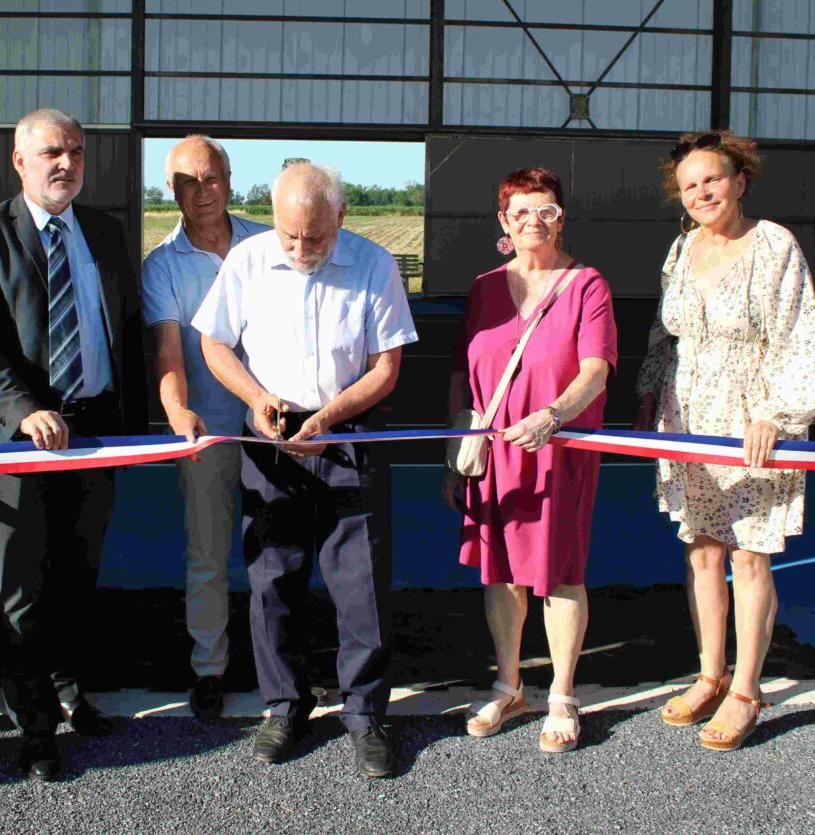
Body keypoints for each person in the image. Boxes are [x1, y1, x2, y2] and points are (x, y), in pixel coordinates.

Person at [193, 162, 417, 779]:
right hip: (271, 434)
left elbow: (385, 367)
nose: (299, 250)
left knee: (362, 585)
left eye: (314, 238)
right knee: (272, 580)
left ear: (341, 218)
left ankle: (365, 715)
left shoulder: (374, 264)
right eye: (289, 235)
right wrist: (256, 399)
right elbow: (215, 345)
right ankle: (284, 707)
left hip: (349, 433)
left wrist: (328, 418)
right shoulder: (246, 261)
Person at [0, 108, 147, 781]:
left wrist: (137, 422)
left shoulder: (107, 231)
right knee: (23, 589)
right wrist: (25, 408)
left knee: (77, 575)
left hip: (94, 435)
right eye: (51, 153)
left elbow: (127, 329)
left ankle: (68, 690)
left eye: (76, 152)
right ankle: (34, 725)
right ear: (19, 161)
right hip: (20, 440)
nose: (66, 163)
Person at [634, 130, 815, 752]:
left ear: (740, 181)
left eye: (712, 179)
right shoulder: (681, 249)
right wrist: (647, 396)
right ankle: (710, 673)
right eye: (689, 186)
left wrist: (778, 412)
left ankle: (747, 688)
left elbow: (797, 334)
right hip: (686, 413)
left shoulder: (775, 246)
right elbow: (666, 335)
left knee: (748, 555)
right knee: (702, 551)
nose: (701, 192)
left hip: (751, 418)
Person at [443, 167, 617, 753]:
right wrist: (453, 455)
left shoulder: (588, 284)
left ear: (561, 217)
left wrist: (553, 415)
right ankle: (509, 684)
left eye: (545, 210)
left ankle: (564, 694)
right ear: (503, 223)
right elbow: (463, 381)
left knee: (562, 573)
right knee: (501, 575)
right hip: (494, 456)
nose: (533, 222)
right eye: (520, 212)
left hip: (557, 452)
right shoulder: (485, 287)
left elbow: (596, 369)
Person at [142, 135, 271, 719]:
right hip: (208, 430)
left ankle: (281, 666)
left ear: (230, 179)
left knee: (279, 551)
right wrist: (177, 413)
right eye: (188, 182)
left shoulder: (269, 245)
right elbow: (169, 351)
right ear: (172, 190)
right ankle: (210, 668)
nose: (202, 191)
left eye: (211, 178)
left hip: (275, 428)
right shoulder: (162, 266)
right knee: (208, 554)